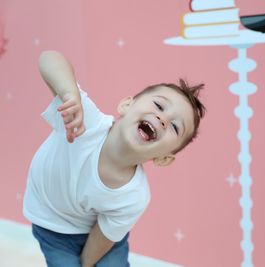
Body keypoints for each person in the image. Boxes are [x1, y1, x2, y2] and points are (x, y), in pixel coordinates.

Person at [23, 50, 206, 267]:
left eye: (175, 126)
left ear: (163, 159)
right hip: (53, 228)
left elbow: (102, 238)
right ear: (126, 106)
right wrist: (70, 94)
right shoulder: (85, 121)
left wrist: (87, 264)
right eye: (159, 106)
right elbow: (48, 58)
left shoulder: (134, 196)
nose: (162, 119)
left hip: (102, 236)